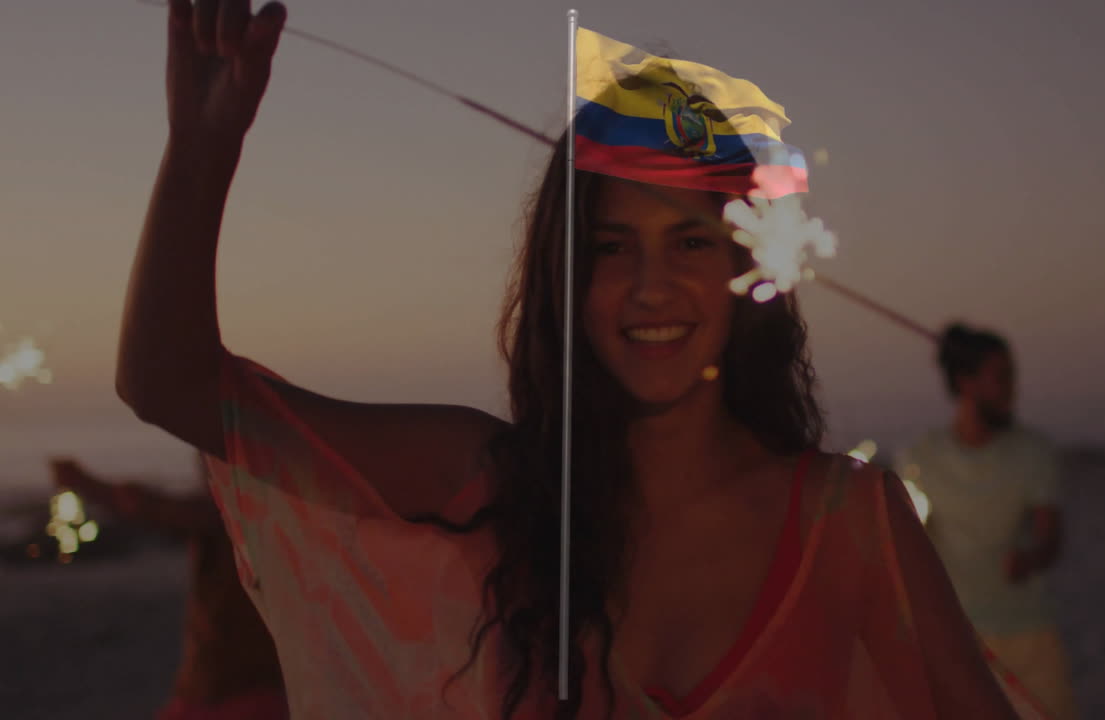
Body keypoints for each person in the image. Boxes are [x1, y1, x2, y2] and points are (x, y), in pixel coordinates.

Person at [116, 1, 1029, 717]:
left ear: (746, 273)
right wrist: (202, 147)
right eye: (610, 247)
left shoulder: (847, 520)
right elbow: (171, 384)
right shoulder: (492, 487)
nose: (649, 288)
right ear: (563, 274)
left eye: (691, 244)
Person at [894, 323, 1078, 719]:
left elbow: (1050, 536)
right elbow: (912, 541)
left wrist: (1031, 557)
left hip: (1029, 633)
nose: (1013, 388)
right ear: (966, 382)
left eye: (1013, 375)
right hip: (956, 640)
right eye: (1002, 376)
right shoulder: (920, 458)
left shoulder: (1034, 452)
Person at [50, 455, 288, 720]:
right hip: (243, 686)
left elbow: (162, 510)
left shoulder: (233, 512)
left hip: (233, 692)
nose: (202, 465)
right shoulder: (275, 512)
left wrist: (88, 485)